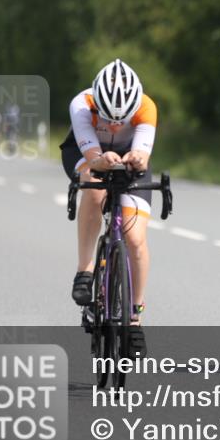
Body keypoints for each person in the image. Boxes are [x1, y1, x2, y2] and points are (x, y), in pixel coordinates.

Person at [60, 59, 157, 325]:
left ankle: (135, 311)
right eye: (108, 118)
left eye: (122, 121)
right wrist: (101, 160)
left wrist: (136, 158)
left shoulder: (147, 107)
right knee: (93, 187)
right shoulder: (81, 104)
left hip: (127, 156)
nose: (114, 126)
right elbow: (93, 158)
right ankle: (85, 270)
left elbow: (143, 156)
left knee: (135, 238)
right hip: (83, 154)